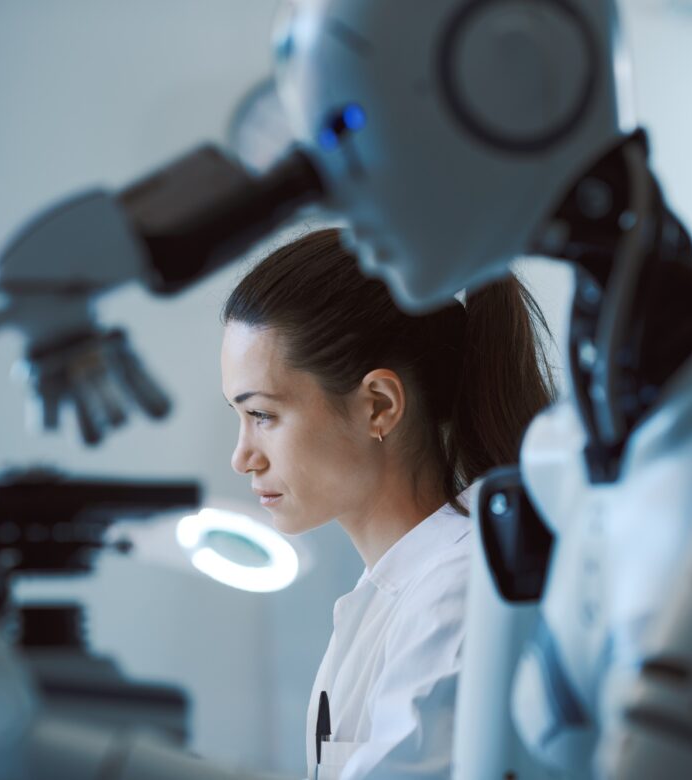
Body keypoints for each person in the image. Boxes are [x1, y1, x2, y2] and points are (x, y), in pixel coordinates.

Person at [219, 228, 555, 779]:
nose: (242, 457)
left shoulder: (457, 591)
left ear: (378, 405)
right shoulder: (395, 591)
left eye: (262, 415)